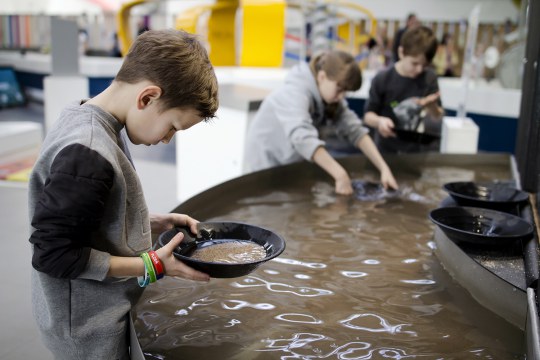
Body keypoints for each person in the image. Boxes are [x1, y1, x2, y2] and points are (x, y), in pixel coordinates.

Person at [27, 29, 218, 359]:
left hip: (96, 311)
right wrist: (152, 264)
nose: (167, 139)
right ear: (147, 98)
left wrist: (153, 221)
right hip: (86, 329)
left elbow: (90, 213)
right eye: (173, 126)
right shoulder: (88, 153)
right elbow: (54, 255)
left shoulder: (86, 115)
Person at [243, 50, 398, 195]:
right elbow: (302, 137)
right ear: (322, 76)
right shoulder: (294, 93)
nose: (342, 96)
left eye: (346, 92)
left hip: (290, 162)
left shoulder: (332, 99)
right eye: (339, 89)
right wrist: (340, 174)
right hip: (265, 163)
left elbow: (356, 131)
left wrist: (384, 168)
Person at [363, 25, 444, 154]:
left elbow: (437, 116)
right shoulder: (382, 79)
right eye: (414, 63)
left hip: (415, 151)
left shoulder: (429, 77)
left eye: (424, 65)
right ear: (401, 52)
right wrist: (379, 122)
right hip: (385, 150)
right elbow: (368, 115)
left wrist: (432, 106)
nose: (419, 70)